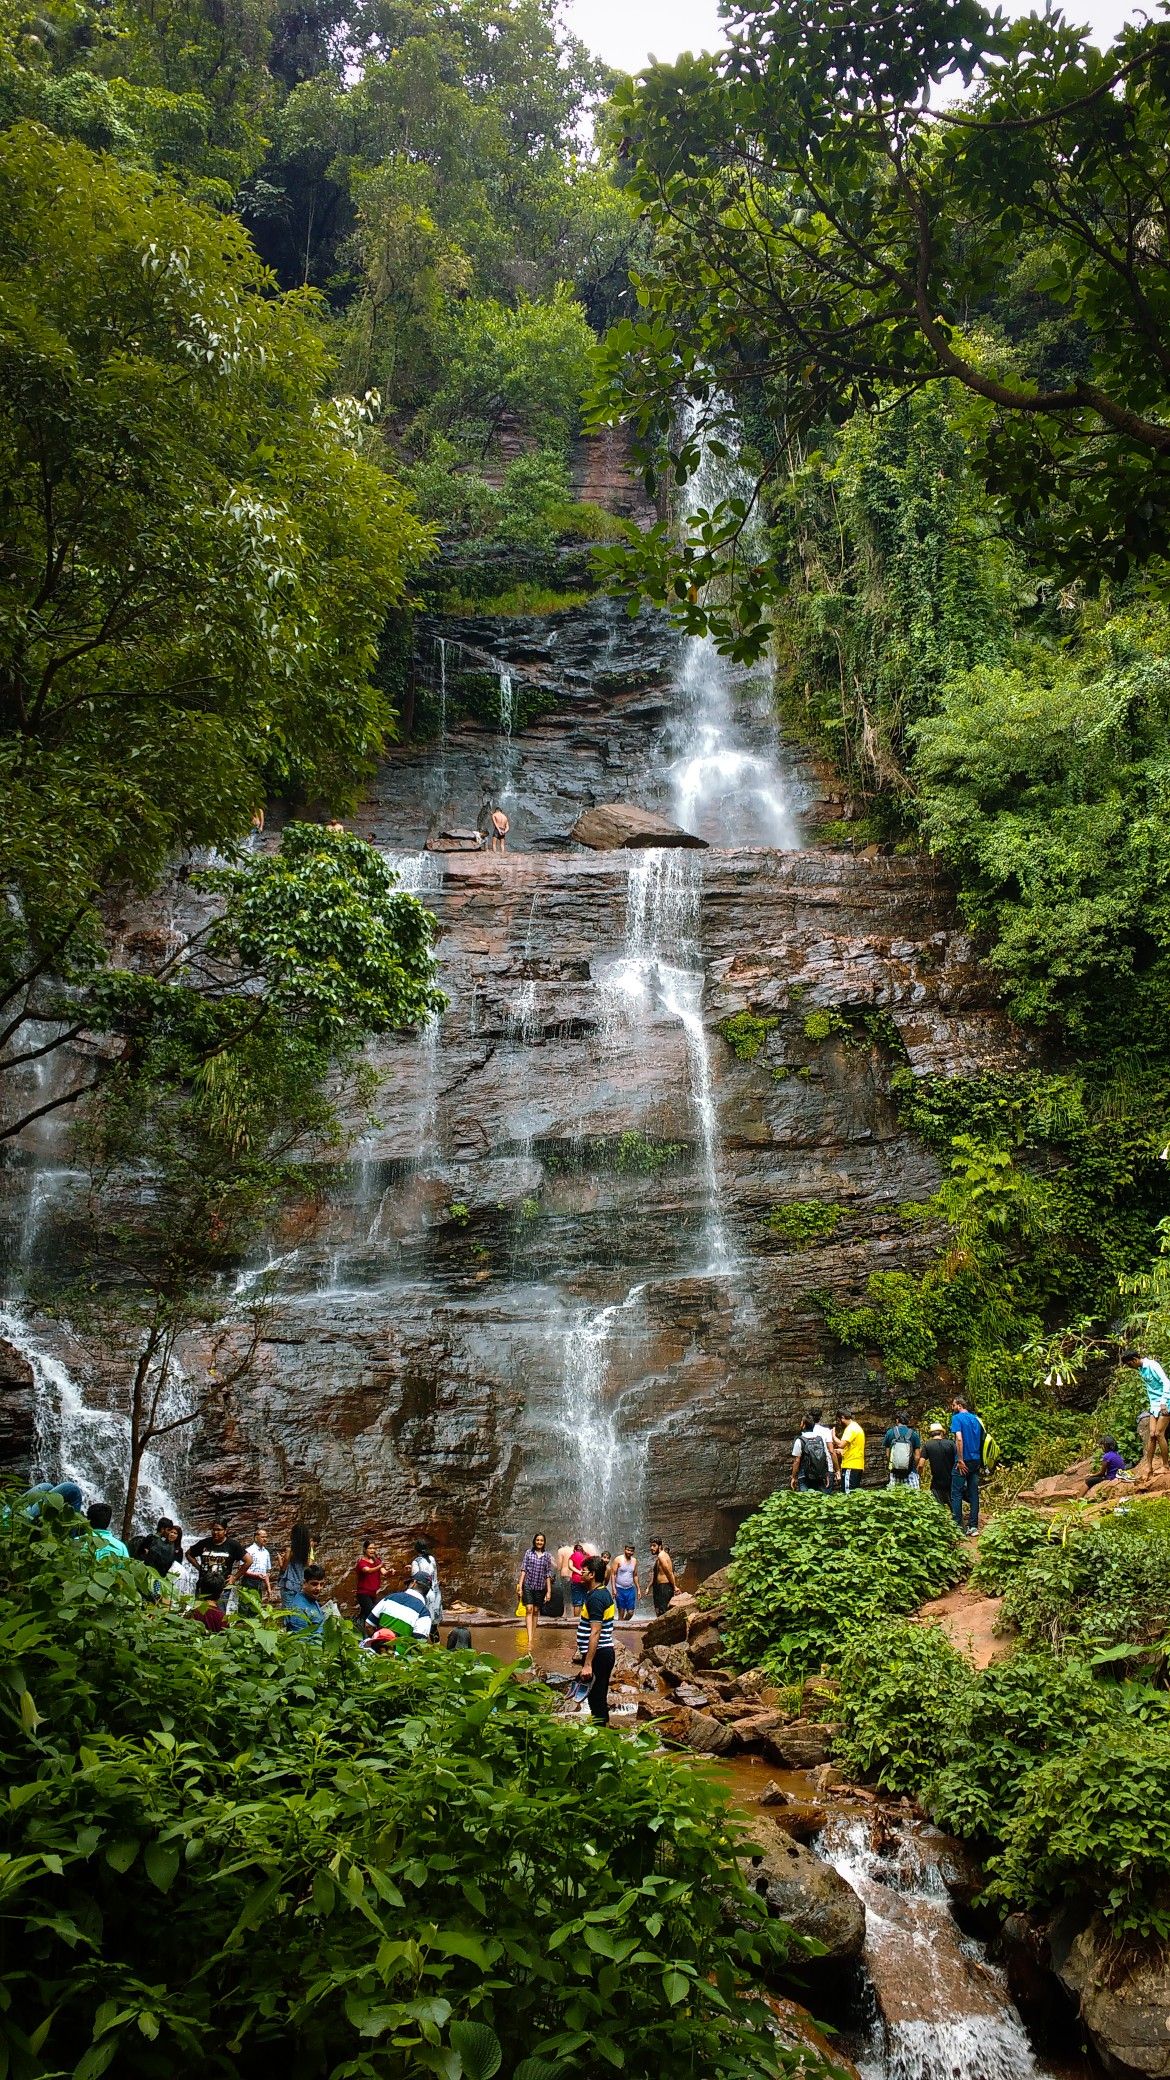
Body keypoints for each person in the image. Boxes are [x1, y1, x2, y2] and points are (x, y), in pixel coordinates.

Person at [575, 1555, 617, 1726]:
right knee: (599, 1696)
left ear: (592, 1574)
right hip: (602, 1653)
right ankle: (605, 1731)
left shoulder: (596, 1598)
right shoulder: (600, 1593)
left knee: (596, 1699)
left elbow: (595, 1632)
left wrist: (588, 1664)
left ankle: (601, 1737)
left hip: (598, 1655)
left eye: (583, 1571)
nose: (580, 1573)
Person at [1124, 1350, 1170, 1482]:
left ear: (1134, 1360)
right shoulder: (1141, 1370)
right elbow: (1151, 1389)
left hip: (1165, 1401)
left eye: (1129, 1364)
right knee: (1151, 1434)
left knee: (1159, 1433)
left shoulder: (1152, 1365)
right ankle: (1148, 1467)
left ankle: (1166, 1466)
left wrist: (1163, 1402)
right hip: (1154, 1404)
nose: (1129, 1367)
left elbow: (1166, 1382)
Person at [949, 1396, 986, 1535]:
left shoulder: (957, 1418)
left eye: (953, 1405)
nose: (952, 1408)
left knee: (956, 1493)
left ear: (959, 1405)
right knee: (973, 1493)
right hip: (976, 1460)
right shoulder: (976, 1419)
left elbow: (959, 1438)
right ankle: (973, 1526)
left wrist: (960, 1459)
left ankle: (958, 1527)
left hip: (963, 1461)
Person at [368, 1580, 434, 1651]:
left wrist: (376, 1644)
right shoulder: (424, 1613)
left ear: (413, 1583)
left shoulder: (390, 1598)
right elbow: (419, 1645)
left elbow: (368, 1625)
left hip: (377, 1653)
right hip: (401, 1658)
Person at [517, 1531, 554, 1653]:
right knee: (529, 1609)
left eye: (541, 1540)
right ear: (534, 1541)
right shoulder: (529, 1553)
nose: (539, 1542)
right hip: (528, 1585)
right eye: (537, 1540)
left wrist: (549, 1591)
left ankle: (532, 1634)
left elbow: (548, 1574)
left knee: (536, 1611)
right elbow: (523, 1570)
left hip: (540, 1587)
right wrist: (520, 1586)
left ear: (544, 1542)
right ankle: (530, 1639)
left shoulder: (547, 1556)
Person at [189, 1521, 245, 1585]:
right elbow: (188, 1554)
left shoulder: (232, 1545)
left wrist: (235, 1577)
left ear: (225, 1531)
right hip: (204, 1584)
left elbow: (249, 1561)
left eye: (219, 1530)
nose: (215, 1532)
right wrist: (199, 1567)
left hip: (223, 1585)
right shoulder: (204, 1543)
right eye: (213, 1529)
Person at [791, 1411, 834, 1492]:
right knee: (820, 1499)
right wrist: (827, 1474)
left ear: (804, 1425)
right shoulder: (820, 1439)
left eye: (801, 1423)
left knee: (805, 1501)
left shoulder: (800, 1440)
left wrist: (793, 1477)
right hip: (819, 1475)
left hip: (804, 1476)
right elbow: (825, 1457)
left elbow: (797, 1460)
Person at [283, 1563, 329, 1638]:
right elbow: (301, 1641)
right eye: (314, 1584)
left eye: (322, 1584)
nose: (319, 1588)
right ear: (304, 1583)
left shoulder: (312, 1598)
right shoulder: (298, 1609)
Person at [920, 1422, 956, 1506]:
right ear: (942, 1432)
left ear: (931, 1433)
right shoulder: (951, 1443)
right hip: (951, 1480)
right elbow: (958, 1459)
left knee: (938, 1506)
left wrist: (919, 1473)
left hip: (937, 1482)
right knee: (953, 1504)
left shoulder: (927, 1445)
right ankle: (957, 1518)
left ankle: (940, 1518)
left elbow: (921, 1464)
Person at [884, 1412, 922, 1489]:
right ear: (908, 1421)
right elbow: (917, 1457)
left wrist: (894, 1465)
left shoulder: (890, 1433)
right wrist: (911, 1466)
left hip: (894, 1472)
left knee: (894, 1497)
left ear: (897, 1420)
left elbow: (888, 1455)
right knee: (914, 1498)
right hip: (910, 1473)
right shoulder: (914, 1434)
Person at [239, 1523, 276, 1601]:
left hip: (259, 1583)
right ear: (256, 1538)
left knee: (257, 1606)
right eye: (262, 1537)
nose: (265, 1539)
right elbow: (241, 1569)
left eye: (266, 1537)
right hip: (248, 1582)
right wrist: (255, 1575)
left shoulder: (266, 1552)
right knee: (245, 1606)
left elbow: (265, 1573)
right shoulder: (249, 1551)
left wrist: (269, 1588)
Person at [410, 1539, 443, 1626]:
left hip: (424, 1594)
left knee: (421, 1622)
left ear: (416, 1549)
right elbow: (430, 1572)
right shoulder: (431, 1559)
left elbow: (416, 1579)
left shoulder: (416, 1562)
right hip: (435, 1593)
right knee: (433, 1625)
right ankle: (437, 1640)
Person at [278, 1522, 313, 1602]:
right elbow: (309, 1565)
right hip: (300, 1584)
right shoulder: (307, 1551)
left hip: (289, 1584)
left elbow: (283, 1568)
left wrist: (280, 1559)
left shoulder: (290, 1551)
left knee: (288, 1611)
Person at [834, 1412, 866, 1494]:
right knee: (854, 1492)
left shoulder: (850, 1429)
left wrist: (833, 1436)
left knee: (848, 1493)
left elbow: (841, 1444)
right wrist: (843, 1452)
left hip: (850, 1465)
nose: (839, 1423)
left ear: (842, 1417)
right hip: (858, 1464)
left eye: (838, 1420)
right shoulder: (857, 1427)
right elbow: (854, 1447)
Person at [354, 1537, 383, 1626]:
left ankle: (357, 1625)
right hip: (363, 1593)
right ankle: (367, 1636)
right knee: (371, 1614)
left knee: (365, 1614)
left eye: (374, 1548)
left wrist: (390, 1572)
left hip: (373, 1593)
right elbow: (368, 1570)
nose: (372, 1550)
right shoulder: (361, 1562)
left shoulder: (377, 1561)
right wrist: (380, 1566)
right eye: (370, 1548)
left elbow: (384, 1572)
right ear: (364, 1549)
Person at [610, 1545, 640, 1621]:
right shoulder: (618, 1559)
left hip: (630, 1589)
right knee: (621, 1612)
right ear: (624, 1549)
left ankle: (623, 1622)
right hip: (619, 1588)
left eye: (631, 1551)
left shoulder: (634, 1561)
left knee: (630, 1612)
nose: (630, 1552)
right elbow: (613, 1574)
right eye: (628, 1550)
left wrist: (638, 1589)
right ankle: (621, 1626)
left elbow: (635, 1575)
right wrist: (614, 1589)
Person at [648, 1538, 677, 1616]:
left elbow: (669, 1573)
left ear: (660, 1546)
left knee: (664, 1612)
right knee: (661, 1611)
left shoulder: (661, 1556)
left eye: (654, 1546)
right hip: (661, 1587)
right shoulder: (660, 1556)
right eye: (651, 1546)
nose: (651, 1548)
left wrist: (674, 1587)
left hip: (665, 1587)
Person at [568, 1540, 589, 1614]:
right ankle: (584, 1619)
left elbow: (570, 1566)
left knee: (577, 1602)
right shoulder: (587, 1555)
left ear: (574, 1550)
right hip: (586, 1580)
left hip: (576, 1579)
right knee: (585, 1600)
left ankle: (576, 1620)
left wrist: (578, 1571)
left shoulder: (573, 1555)